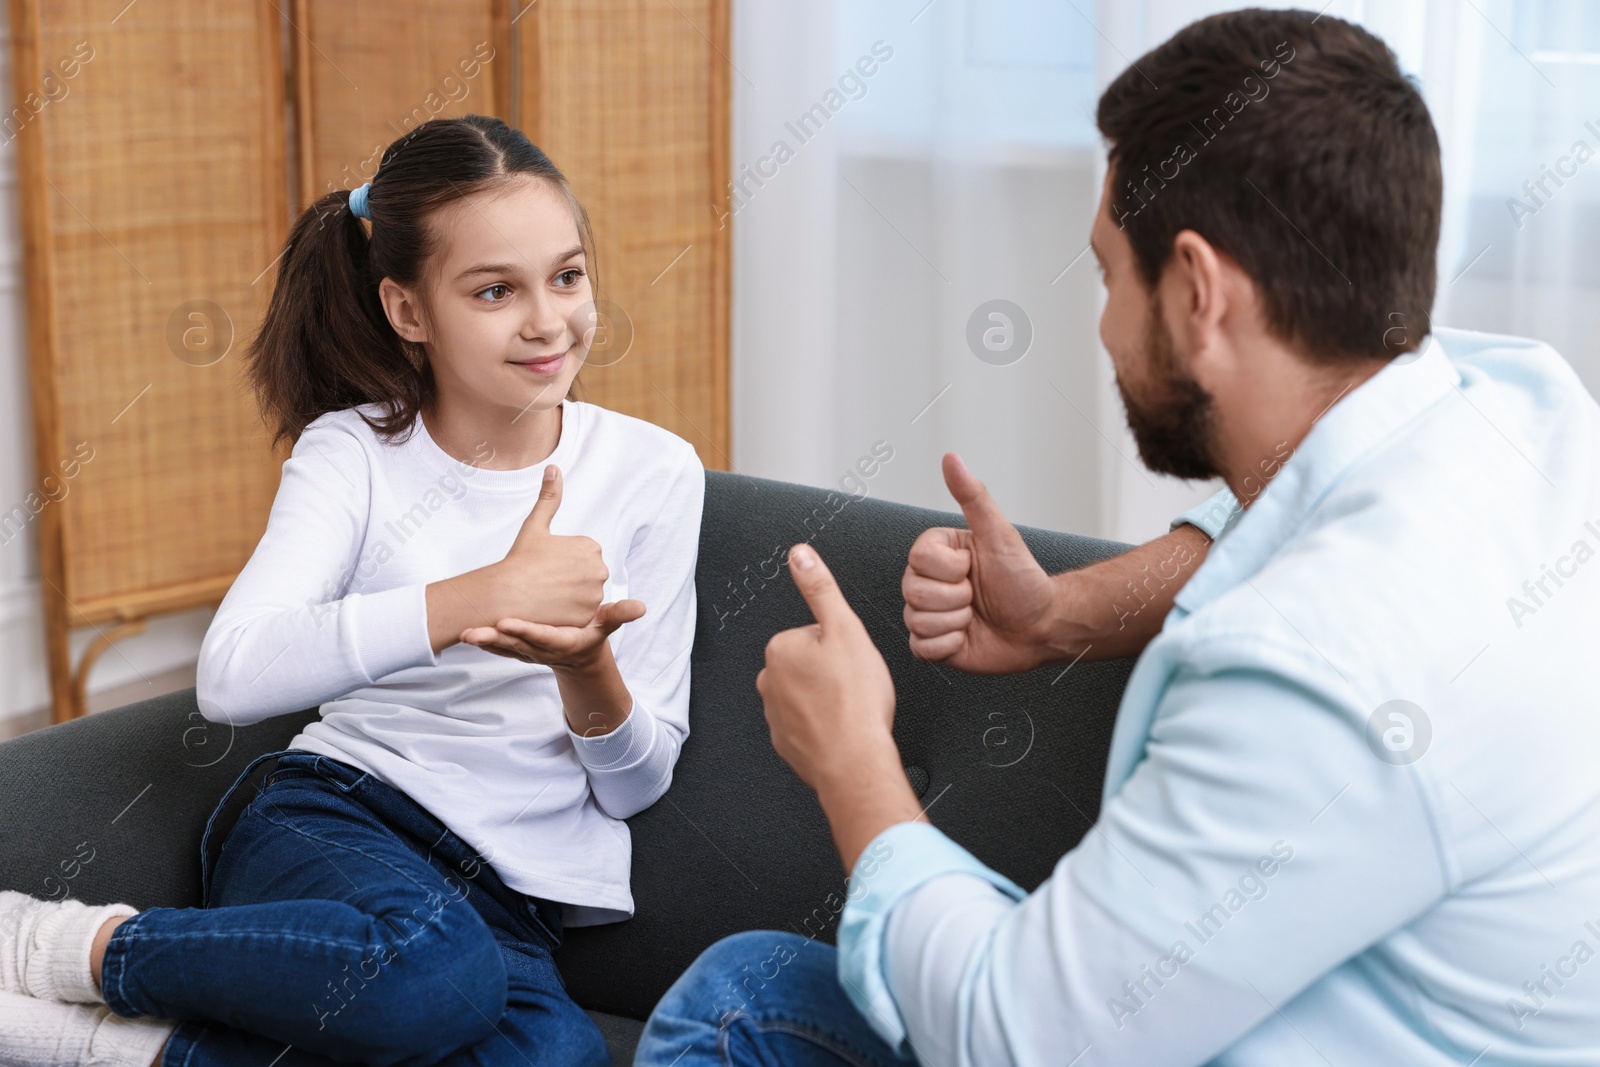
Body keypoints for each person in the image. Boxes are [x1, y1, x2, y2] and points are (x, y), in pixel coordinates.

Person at [636, 9, 1600, 1067]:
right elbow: (1289, 501)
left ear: (1195, 293)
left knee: (734, 1011)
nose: (1100, 326)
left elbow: (1020, 1038)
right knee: (752, 984)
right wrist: (1060, 613)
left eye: (1106, 275)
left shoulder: (1311, 667)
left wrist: (853, 757)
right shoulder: (1518, 404)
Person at [0, 115, 703, 1067]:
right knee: (429, 974)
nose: (548, 320)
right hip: (335, 821)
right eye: (495, 289)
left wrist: (588, 672)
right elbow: (233, 673)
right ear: (409, 311)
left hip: (511, 903)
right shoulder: (357, 452)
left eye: (567, 275)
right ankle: (49, 945)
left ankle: (106, 1049)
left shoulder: (655, 472)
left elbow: (635, 785)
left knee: (557, 1057)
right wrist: (479, 595)